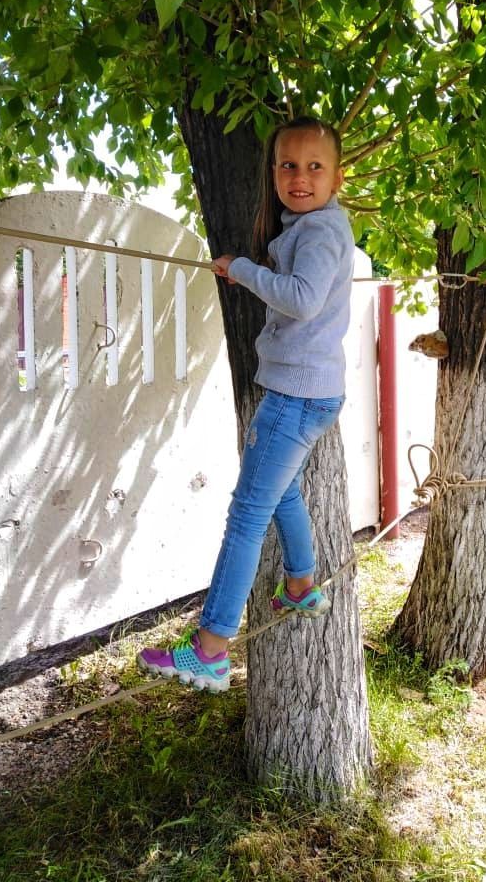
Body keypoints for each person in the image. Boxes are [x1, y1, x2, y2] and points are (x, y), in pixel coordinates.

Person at [138, 116, 354, 693]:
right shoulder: (315, 227)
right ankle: (302, 586)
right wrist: (251, 273)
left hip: (294, 395)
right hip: (312, 392)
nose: (299, 177)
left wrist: (244, 269)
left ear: (337, 177)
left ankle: (210, 649)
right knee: (280, 492)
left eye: (315, 167)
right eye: (287, 165)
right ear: (274, 172)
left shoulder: (319, 232)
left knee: (246, 516)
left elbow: (304, 300)